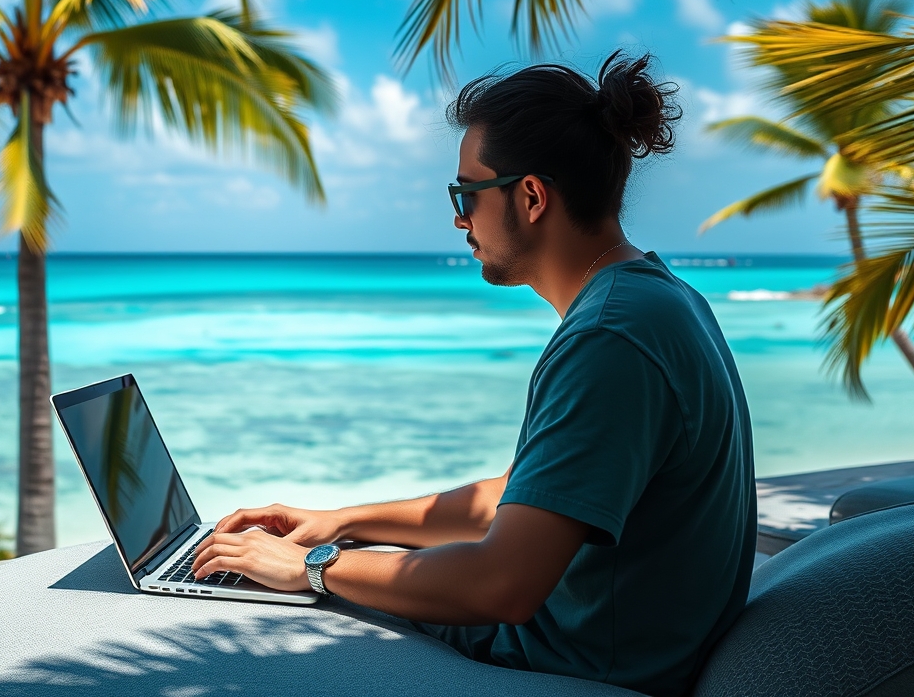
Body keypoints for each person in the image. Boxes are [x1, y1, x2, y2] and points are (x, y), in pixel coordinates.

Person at [191, 52, 757, 697]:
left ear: (532, 196)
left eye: (466, 194)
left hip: (567, 671)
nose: (459, 219)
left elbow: (502, 584)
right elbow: (517, 499)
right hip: (606, 647)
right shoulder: (659, 300)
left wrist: (313, 567)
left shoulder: (609, 338)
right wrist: (339, 522)